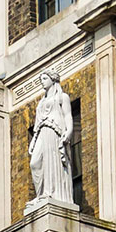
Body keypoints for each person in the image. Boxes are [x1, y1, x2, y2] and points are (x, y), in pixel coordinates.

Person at [28, 68, 75, 204]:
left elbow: (68, 116)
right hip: (42, 133)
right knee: (35, 163)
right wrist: (33, 141)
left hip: (55, 132)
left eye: (44, 79)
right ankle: (41, 193)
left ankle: (51, 193)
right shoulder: (41, 102)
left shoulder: (62, 97)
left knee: (51, 161)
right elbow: (37, 125)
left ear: (52, 79)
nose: (42, 82)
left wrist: (70, 131)